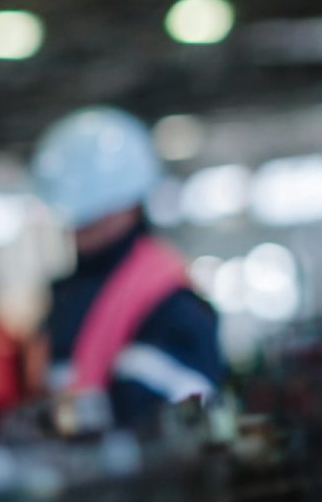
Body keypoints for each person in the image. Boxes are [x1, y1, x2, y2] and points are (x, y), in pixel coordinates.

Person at [28, 107, 227, 425]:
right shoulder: (74, 295)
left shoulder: (171, 300)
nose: (79, 229)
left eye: (93, 215)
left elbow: (182, 417)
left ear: (131, 205)